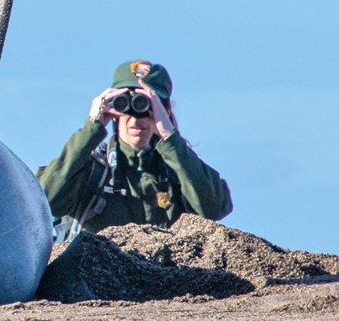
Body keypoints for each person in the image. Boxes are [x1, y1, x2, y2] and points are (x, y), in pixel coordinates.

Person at [37, 60, 232, 241]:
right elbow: (42, 202)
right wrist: (92, 128)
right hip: (97, 276)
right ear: (114, 111)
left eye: (146, 106)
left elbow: (213, 209)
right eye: (126, 106)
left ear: (164, 112)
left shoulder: (179, 174)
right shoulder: (91, 173)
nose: (136, 118)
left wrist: (170, 138)